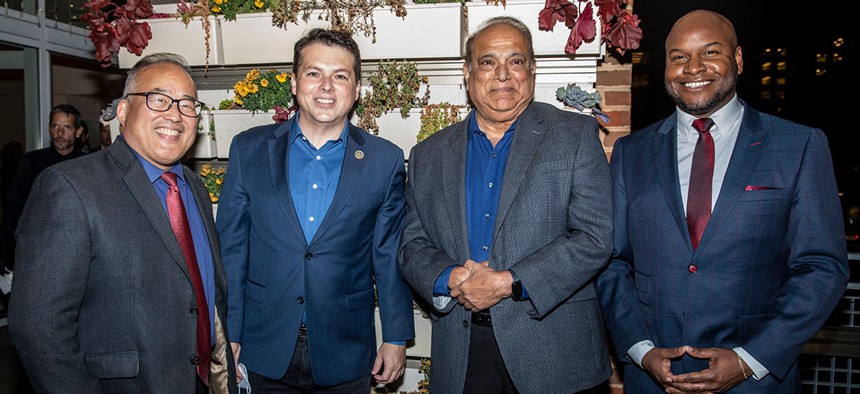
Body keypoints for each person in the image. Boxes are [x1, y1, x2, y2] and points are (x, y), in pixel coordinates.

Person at [596, 10, 850, 393]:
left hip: (755, 383)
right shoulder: (632, 153)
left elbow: (822, 268)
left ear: (739, 60)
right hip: (652, 380)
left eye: (710, 52)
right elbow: (611, 261)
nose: (692, 68)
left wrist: (750, 360)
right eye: (678, 56)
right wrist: (640, 350)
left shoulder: (798, 146)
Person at [398, 16, 614, 393]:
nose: (502, 74)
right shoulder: (427, 155)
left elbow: (595, 237)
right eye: (487, 62)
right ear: (467, 72)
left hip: (556, 353)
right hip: (463, 353)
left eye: (516, 61)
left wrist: (507, 283)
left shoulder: (575, 135)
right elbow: (412, 244)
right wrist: (449, 277)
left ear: (532, 69)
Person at [8, 53, 237, 393]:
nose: (175, 114)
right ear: (124, 111)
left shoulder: (194, 186)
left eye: (188, 105)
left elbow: (204, 295)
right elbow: (38, 327)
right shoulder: (70, 185)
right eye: (159, 100)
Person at [216, 28, 414, 392]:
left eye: (340, 76)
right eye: (314, 73)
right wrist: (229, 331)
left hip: (347, 349)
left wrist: (396, 336)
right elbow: (231, 251)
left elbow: (388, 256)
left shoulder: (384, 160)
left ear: (356, 89)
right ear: (294, 83)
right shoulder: (248, 150)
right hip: (261, 345)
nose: (326, 86)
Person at [0, 104, 85, 279]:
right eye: (55, 126)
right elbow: (14, 206)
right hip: (35, 249)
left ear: (78, 131)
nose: (60, 133)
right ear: (49, 129)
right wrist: (5, 249)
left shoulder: (87, 165)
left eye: (67, 127)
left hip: (78, 251)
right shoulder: (32, 162)